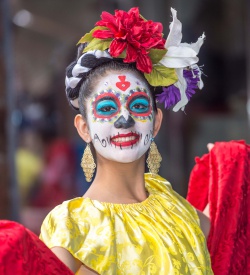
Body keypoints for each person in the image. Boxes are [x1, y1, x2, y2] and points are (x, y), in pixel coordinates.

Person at [40, 7, 213, 274]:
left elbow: (228, 227)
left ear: (155, 122)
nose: (125, 120)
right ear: (84, 128)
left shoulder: (175, 206)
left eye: (138, 105)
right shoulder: (70, 228)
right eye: (107, 108)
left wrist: (228, 167)